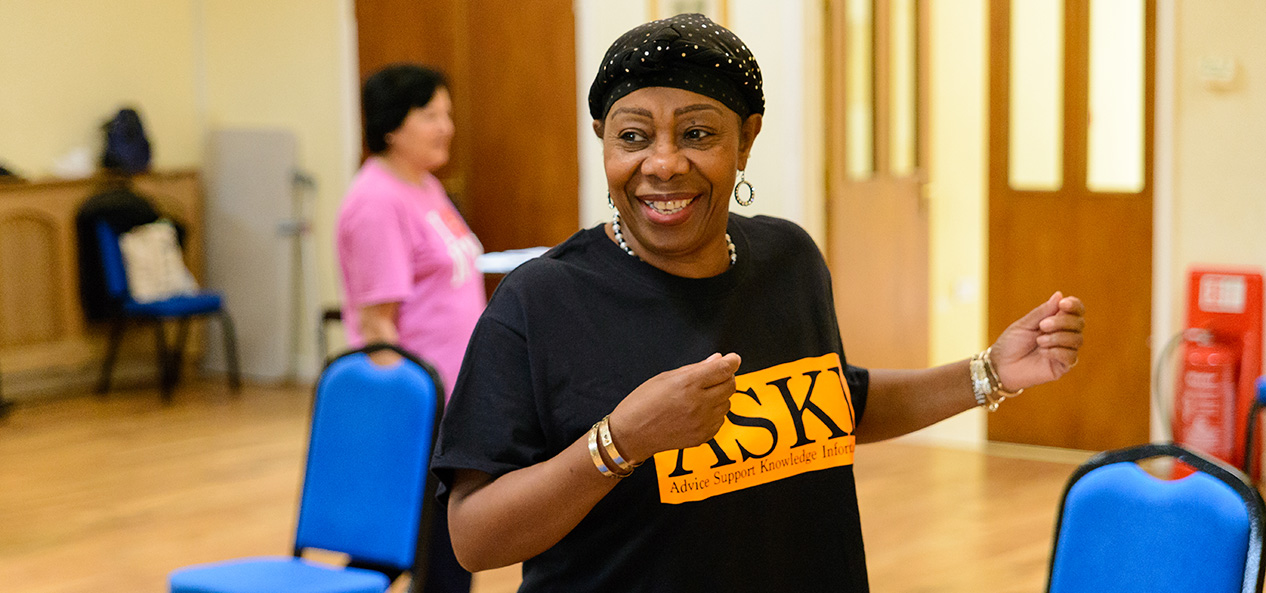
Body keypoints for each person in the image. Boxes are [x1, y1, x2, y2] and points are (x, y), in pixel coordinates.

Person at [431, 13, 1085, 593]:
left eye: (697, 134)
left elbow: (828, 403)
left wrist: (990, 372)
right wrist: (619, 441)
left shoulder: (788, 260)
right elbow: (474, 537)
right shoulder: (541, 302)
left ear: (746, 139)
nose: (663, 164)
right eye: (633, 136)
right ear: (603, 138)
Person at [336, 63, 480, 593]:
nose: (446, 126)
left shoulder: (424, 186)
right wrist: (414, 419)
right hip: (423, 406)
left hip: (454, 396)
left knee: (440, 542)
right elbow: (378, 327)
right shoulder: (376, 201)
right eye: (429, 115)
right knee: (408, 542)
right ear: (391, 125)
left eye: (448, 114)